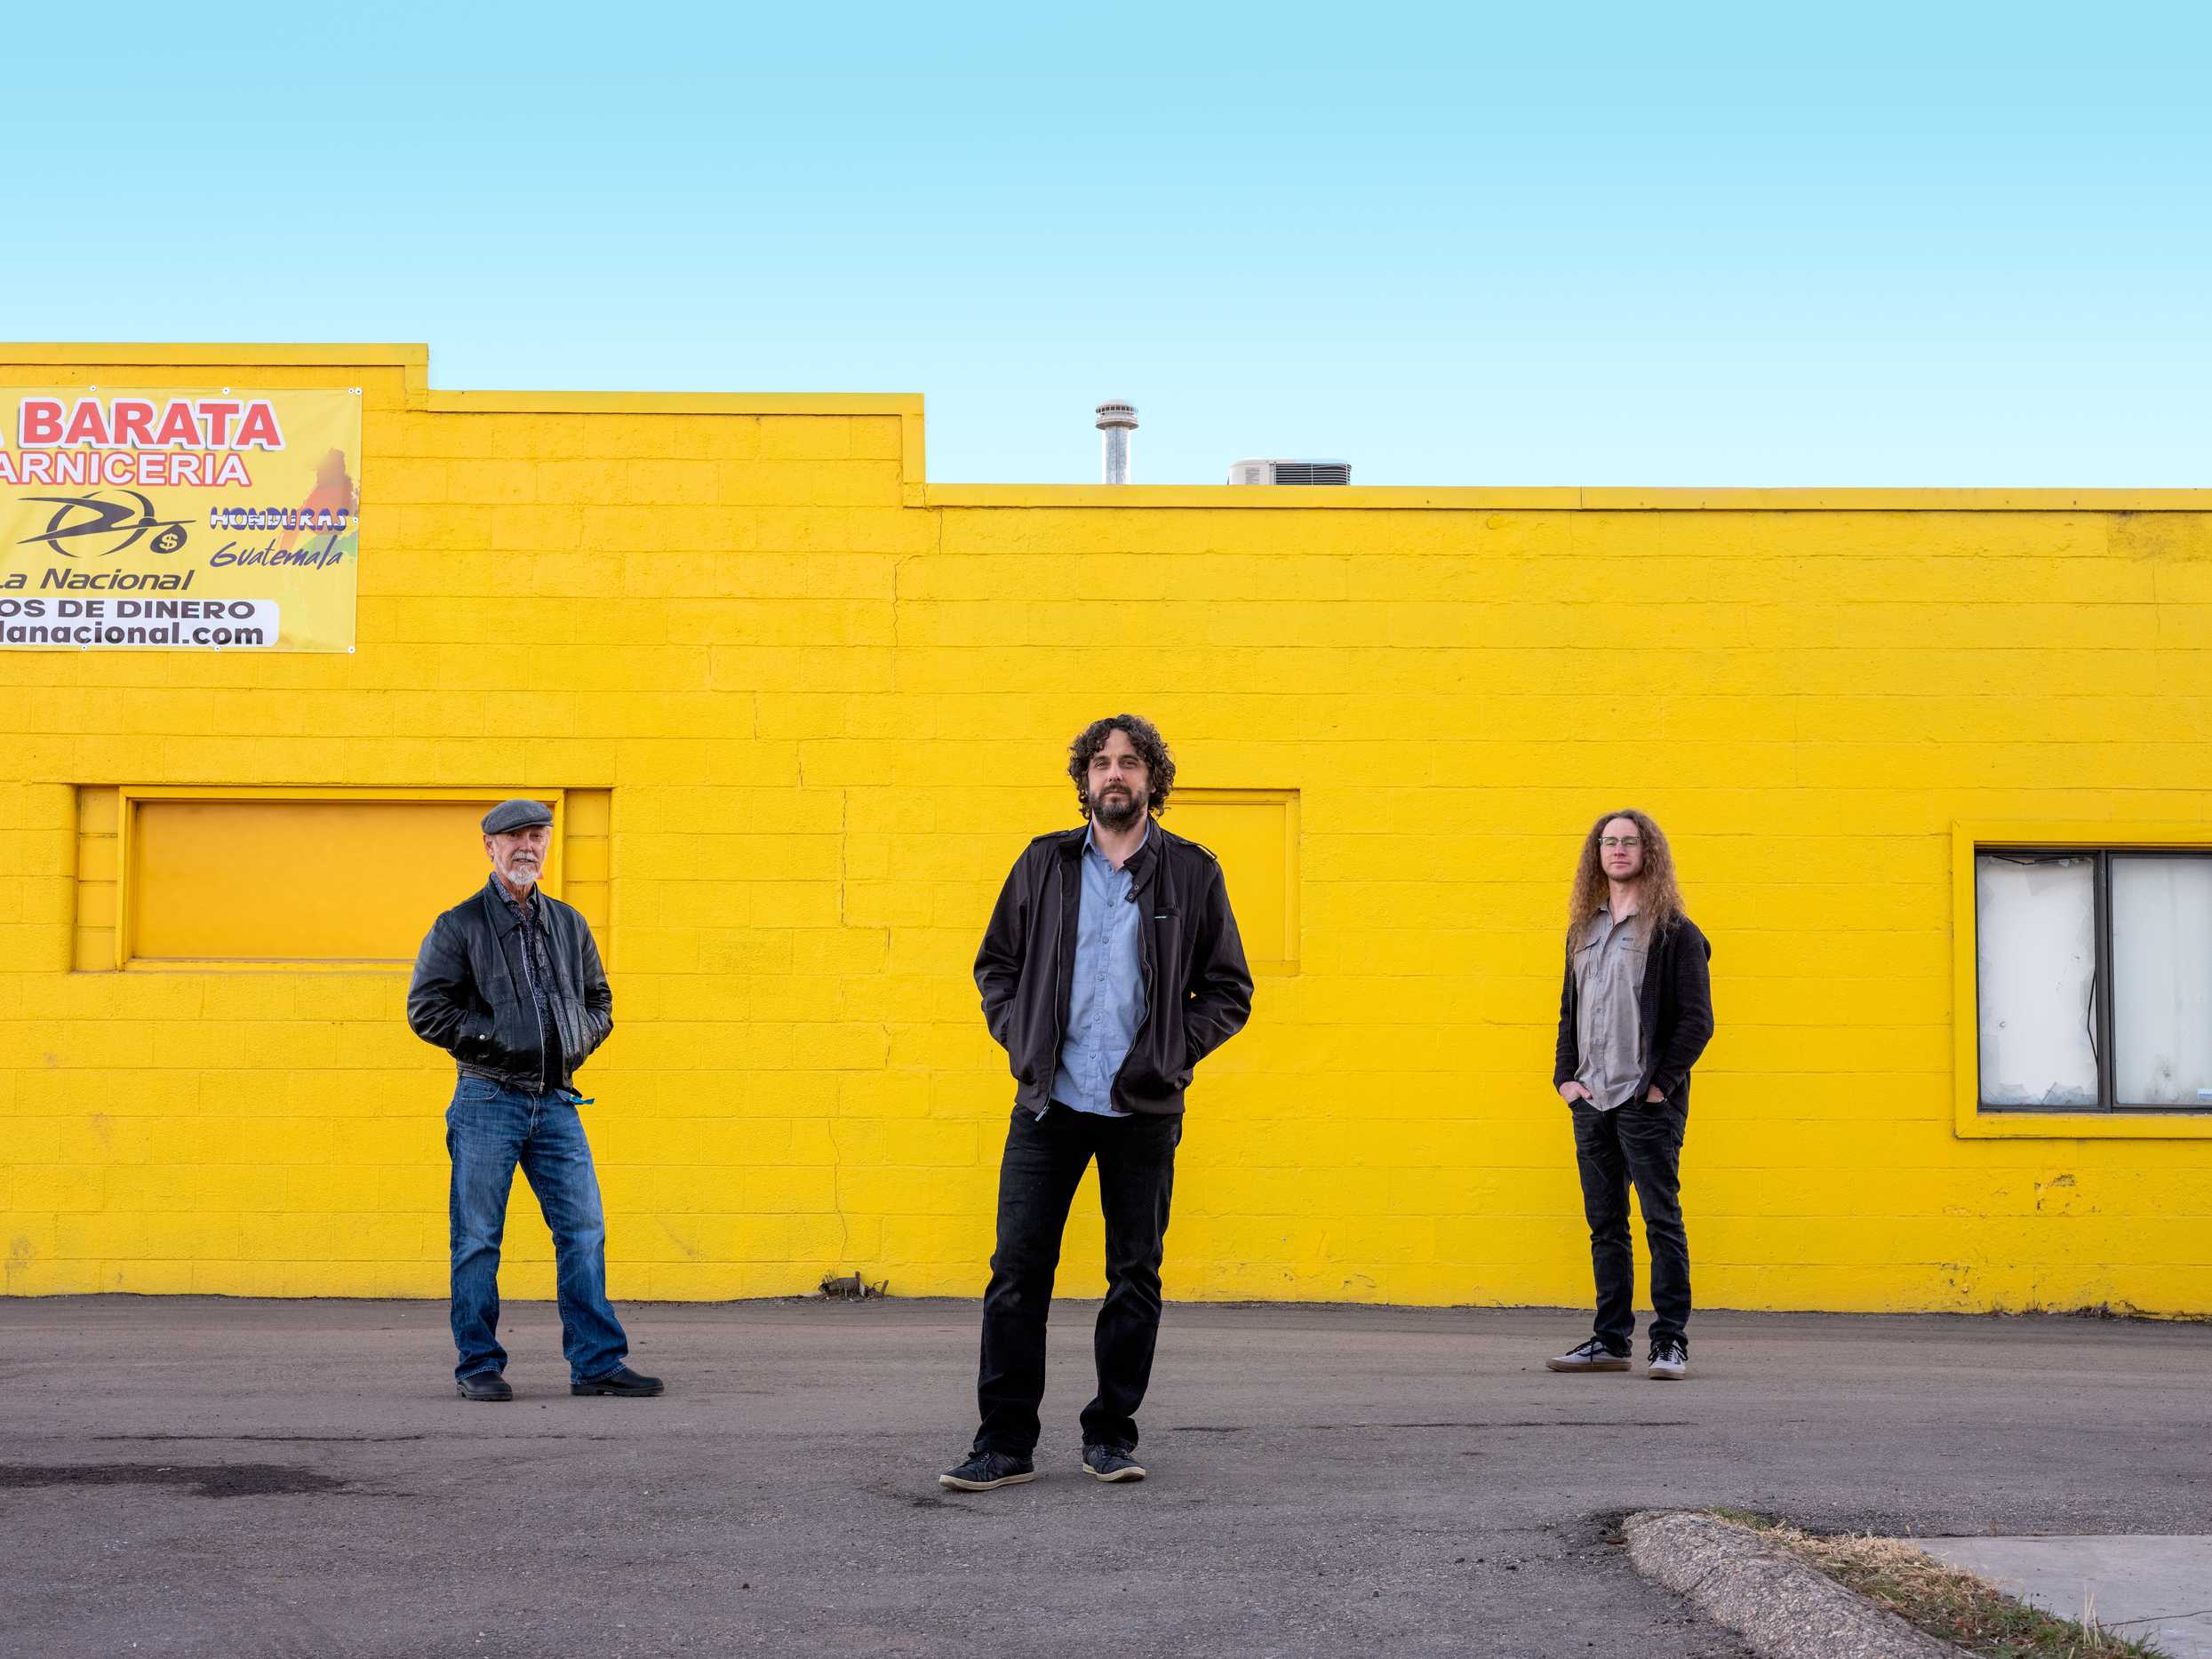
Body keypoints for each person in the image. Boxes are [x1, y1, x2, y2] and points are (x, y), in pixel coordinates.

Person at [940, 715, 1254, 1490]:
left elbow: (1228, 989)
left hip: (1142, 1108)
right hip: (1050, 1102)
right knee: (1016, 1273)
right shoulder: (1042, 863)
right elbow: (997, 967)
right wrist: (1022, 1044)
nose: (1115, 774)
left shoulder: (1191, 872)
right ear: (1083, 779)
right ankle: (1004, 1443)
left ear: (1153, 778)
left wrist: (1171, 1057)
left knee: (1134, 1276)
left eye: (1131, 762)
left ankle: (1110, 1435)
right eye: (1102, 763)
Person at [406, 798, 661, 1402]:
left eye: (537, 835)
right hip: (486, 1098)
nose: (527, 845)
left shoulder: (569, 923)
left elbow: (599, 1002)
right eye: (513, 836)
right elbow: (426, 1010)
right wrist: (504, 1041)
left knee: (583, 1229)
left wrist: (572, 1041)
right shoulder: (459, 924)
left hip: (555, 1102)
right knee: (477, 1237)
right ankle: (478, 1364)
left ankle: (596, 1363)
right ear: (489, 847)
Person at [1547, 810, 1713, 1382]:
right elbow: (1568, 1012)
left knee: (1661, 1221)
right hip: (1590, 1100)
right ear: (1597, 854)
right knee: (1606, 1225)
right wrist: (1565, 1078)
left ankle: (1670, 1343)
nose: (1617, 850)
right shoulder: (1581, 929)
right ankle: (1610, 1340)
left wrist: (1660, 1086)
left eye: (1629, 842)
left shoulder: (1675, 934)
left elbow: (1697, 1022)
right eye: (1608, 842)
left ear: (1650, 853)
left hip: (1644, 1103)